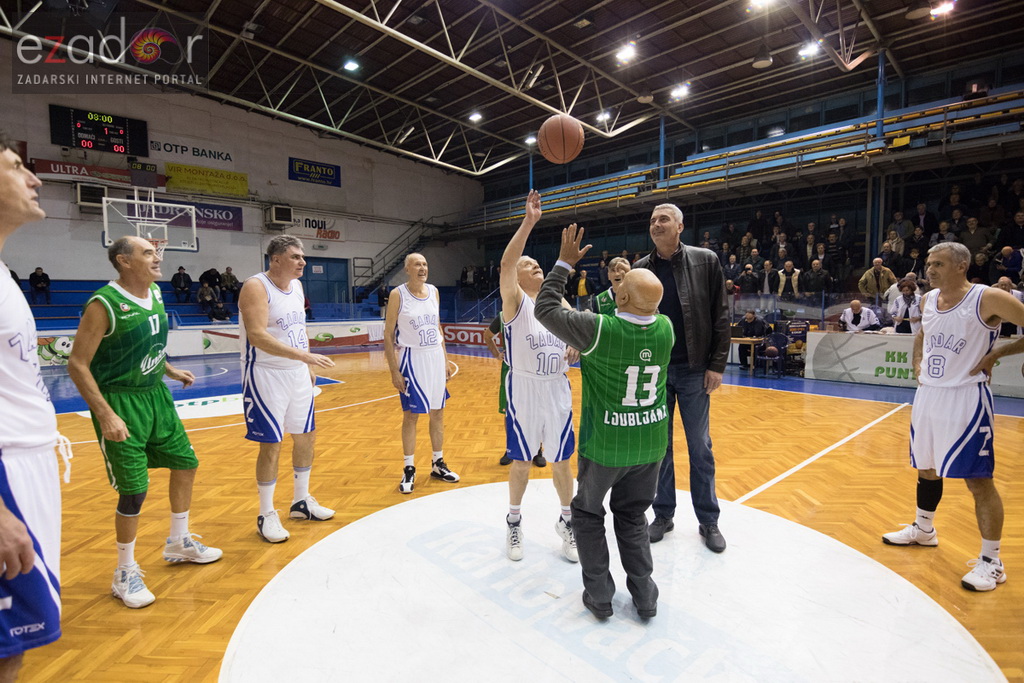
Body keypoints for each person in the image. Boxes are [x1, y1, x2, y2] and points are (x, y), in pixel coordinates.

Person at [68, 236, 223, 609]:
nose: (157, 258)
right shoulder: (103, 304)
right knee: (134, 491)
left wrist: (168, 368)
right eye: (148, 253)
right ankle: (124, 571)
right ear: (124, 261)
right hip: (121, 402)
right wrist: (106, 414)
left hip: (157, 398)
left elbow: (150, 342)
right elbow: (76, 364)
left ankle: (179, 541)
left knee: (186, 464)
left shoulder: (155, 293)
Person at [535, 223, 675, 620]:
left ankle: (599, 596)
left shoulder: (599, 329)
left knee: (588, 513)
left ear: (621, 296)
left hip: (607, 446)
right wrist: (634, 292)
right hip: (651, 445)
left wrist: (564, 262)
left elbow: (546, 307)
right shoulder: (665, 330)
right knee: (632, 516)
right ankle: (645, 596)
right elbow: (649, 306)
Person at [882, 242, 1024, 591]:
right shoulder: (928, 300)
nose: (929, 270)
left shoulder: (987, 298)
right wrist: (917, 360)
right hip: (929, 395)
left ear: (961, 265)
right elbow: (922, 334)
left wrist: (998, 354)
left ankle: (992, 562)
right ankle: (924, 529)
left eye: (938, 264)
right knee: (926, 468)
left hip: (967, 398)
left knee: (977, 479)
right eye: (929, 263)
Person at [0, 132, 64, 675]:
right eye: (17, 167)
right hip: (5, 479)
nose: (35, 177)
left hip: (27, 468)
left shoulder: (4, 274)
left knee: (12, 646)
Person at [634, 204, 730, 553]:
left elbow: (720, 313)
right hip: (655, 372)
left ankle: (708, 520)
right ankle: (663, 514)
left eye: (663, 220)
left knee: (700, 447)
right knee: (659, 449)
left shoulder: (706, 260)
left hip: (693, 370)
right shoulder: (640, 269)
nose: (655, 225)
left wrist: (717, 363)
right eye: (652, 221)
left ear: (680, 226)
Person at [237, 235, 337, 543]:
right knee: (272, 443)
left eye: (302, 256)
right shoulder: (255, 286)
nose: (303, 261)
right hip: (265, 374)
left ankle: (301, 501)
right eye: (295, 256)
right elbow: (256, 335)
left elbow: (298, 329)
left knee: (306, 436)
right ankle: (266, 513)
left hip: (296, 374)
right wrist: (306, 357)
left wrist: (305, 365)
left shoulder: (298, 287)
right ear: (276, 259)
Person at [497, 191, 578, 563]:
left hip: (557, 387)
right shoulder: (514, 300)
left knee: (562, 460)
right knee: (522, 460)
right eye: (528, 264)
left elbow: (578, 331)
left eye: (537, 264)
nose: (535, 266)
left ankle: (567, 522)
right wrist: (529, 222)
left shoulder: (556, 302)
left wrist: (577, 344)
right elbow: (506, 263)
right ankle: (514, 522)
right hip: (525, 388)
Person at [384, 253, 460, 494]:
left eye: (425, 264)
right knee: (411, 416)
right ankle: (409, 468)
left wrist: (445, 360)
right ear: (407, 269)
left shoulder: (434, 292)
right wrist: (394, 370)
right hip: (411, 359)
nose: (422, 268)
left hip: (435, 357)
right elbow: (387, 335)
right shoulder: (398, 294)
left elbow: (438, 327)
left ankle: (438, 463)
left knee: (438, 412)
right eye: (417, 264)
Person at [486, 313, 547, 469]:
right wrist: (496, 354)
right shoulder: (503, 315)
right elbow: (487, 335)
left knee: (536, 410)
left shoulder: (537, 313)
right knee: (509, 412)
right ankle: (511, 448)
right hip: (511, 370)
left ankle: (537, 450)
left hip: (534, 369)